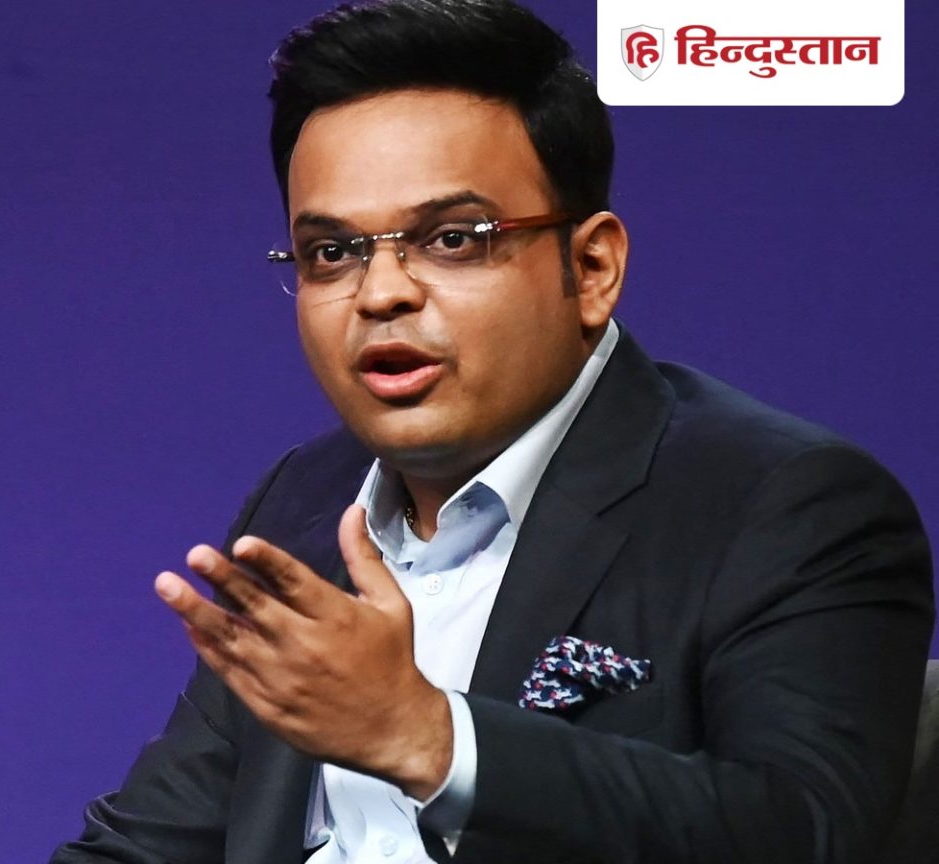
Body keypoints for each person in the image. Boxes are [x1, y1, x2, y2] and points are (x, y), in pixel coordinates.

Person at [50, 1, 936, 861]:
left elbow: (804, 829)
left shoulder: (783, 504)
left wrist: (428, 737)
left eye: (452, 239)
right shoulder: (307, 499)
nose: (380, 293)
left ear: (592, 266)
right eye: (333, 252)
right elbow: (151, 843)